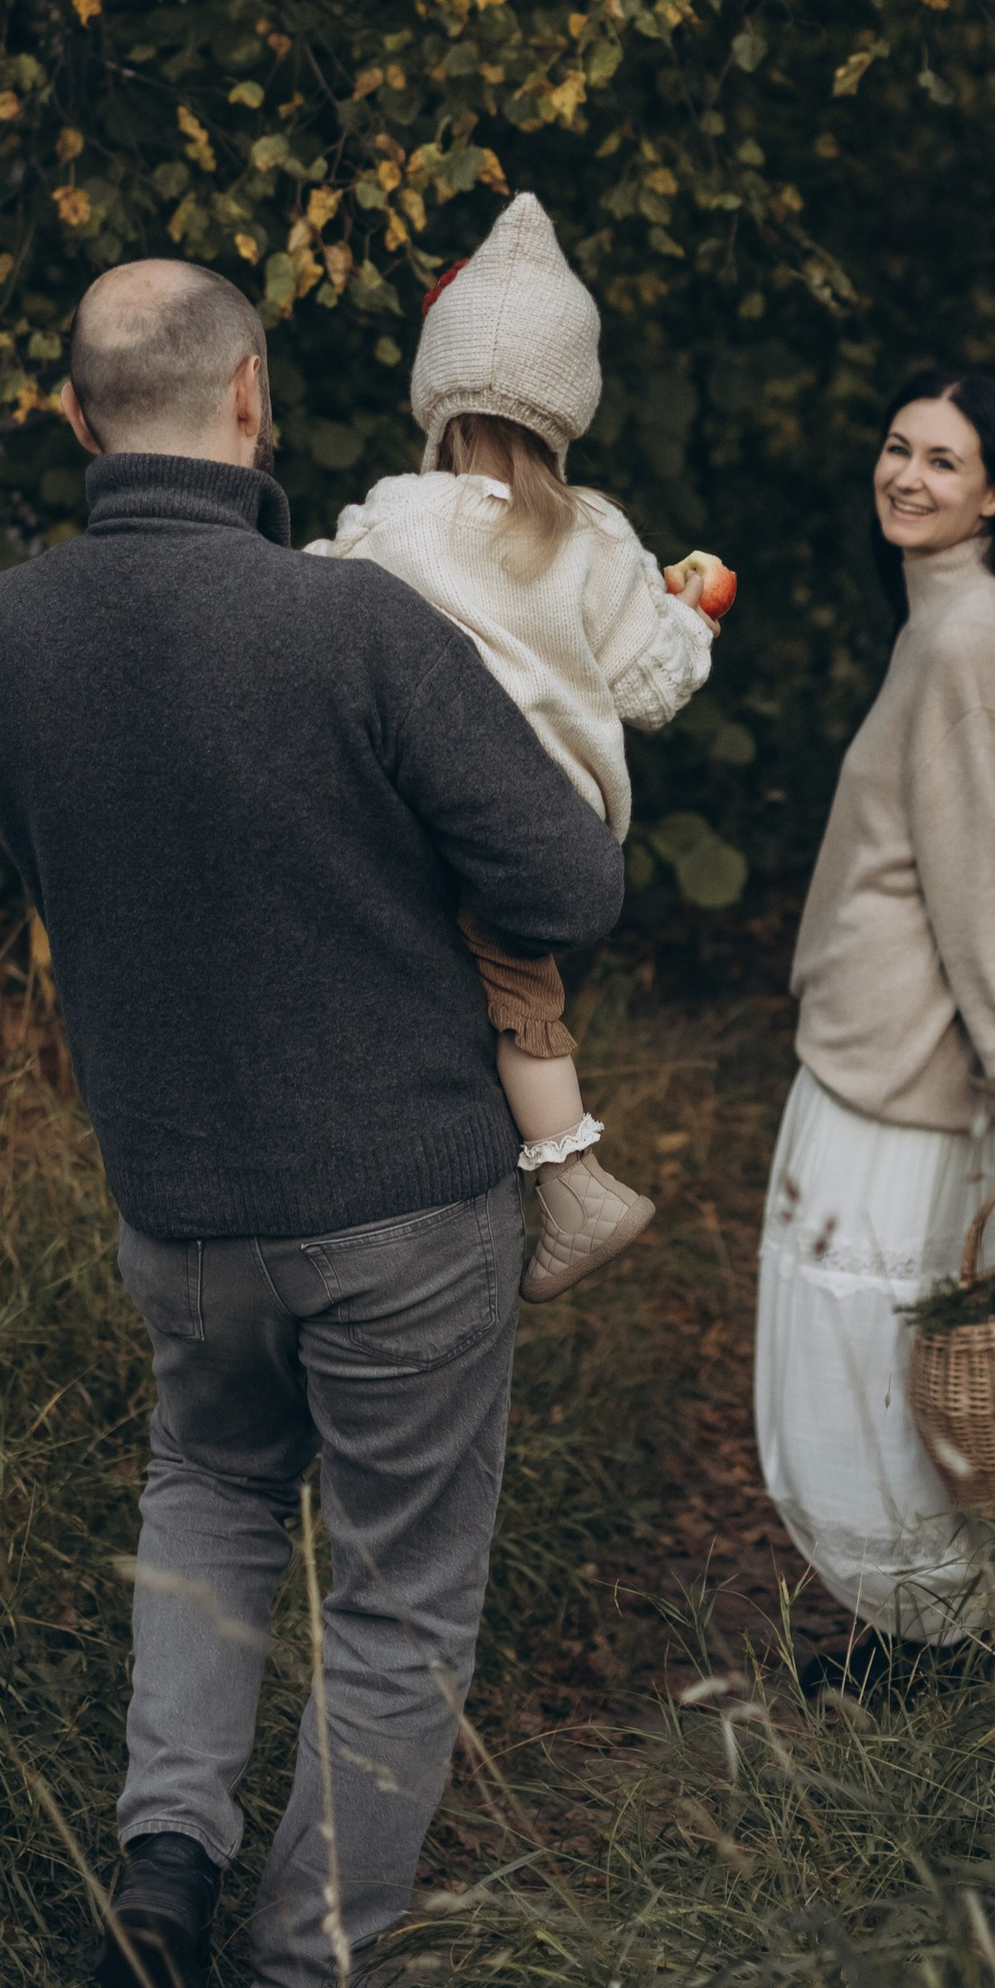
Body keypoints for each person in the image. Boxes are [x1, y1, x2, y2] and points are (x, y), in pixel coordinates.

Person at [0, 259, 624, 1988]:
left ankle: (165, 1859)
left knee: (210, 1491)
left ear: (79, 415)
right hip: (402, 1195)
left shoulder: (1, 637)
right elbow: (569, 889)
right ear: (252, 401)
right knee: (402, 1599)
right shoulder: (357, 632)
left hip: (175, 1195)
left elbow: (62, 878)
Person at [308, 192, 734, 1299]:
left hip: (435, 810)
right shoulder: (600, 536)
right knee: (517, 984)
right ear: (570, 402)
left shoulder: (402, 521)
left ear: (435, 396)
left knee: (512, 995)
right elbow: (653, 688)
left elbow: (313, 610)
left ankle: (579, 1184)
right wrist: (696, 614)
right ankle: (562, 1175)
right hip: (555, 821)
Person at [752, 368, 995, 1661]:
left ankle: (943, 1640)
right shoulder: (953, 620)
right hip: (872, 1047)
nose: (907, 475)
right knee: (881, 1364)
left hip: (898, 1069)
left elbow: (983, 889)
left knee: (861, 1376)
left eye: (943, 461)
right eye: (897, 447)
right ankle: (928, 1628)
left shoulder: (962, 640)